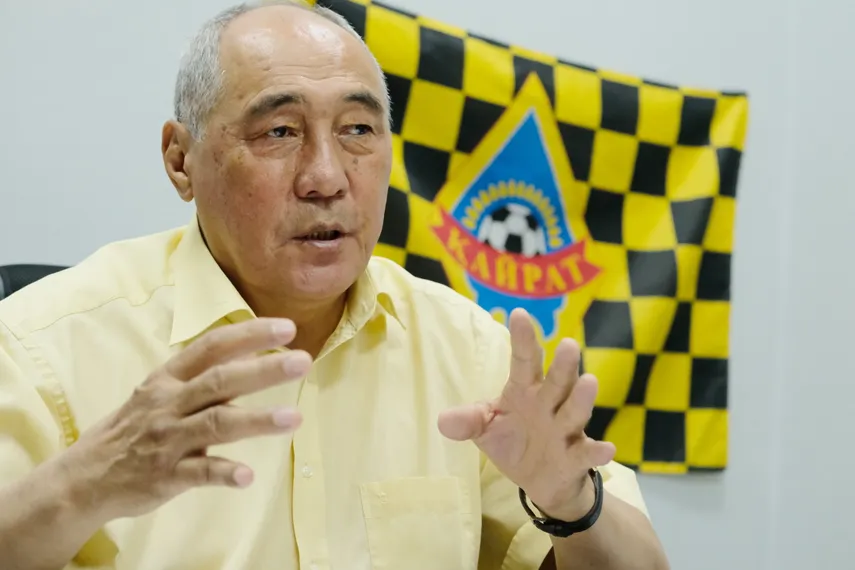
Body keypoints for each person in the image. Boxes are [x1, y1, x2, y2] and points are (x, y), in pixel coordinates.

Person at [0, 2, 669, 569]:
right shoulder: (42, 346)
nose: (326, 176)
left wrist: (571, 503)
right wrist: (80, 489)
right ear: (181, 160)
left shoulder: (465, 347)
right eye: (279, 132)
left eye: (357, 131)